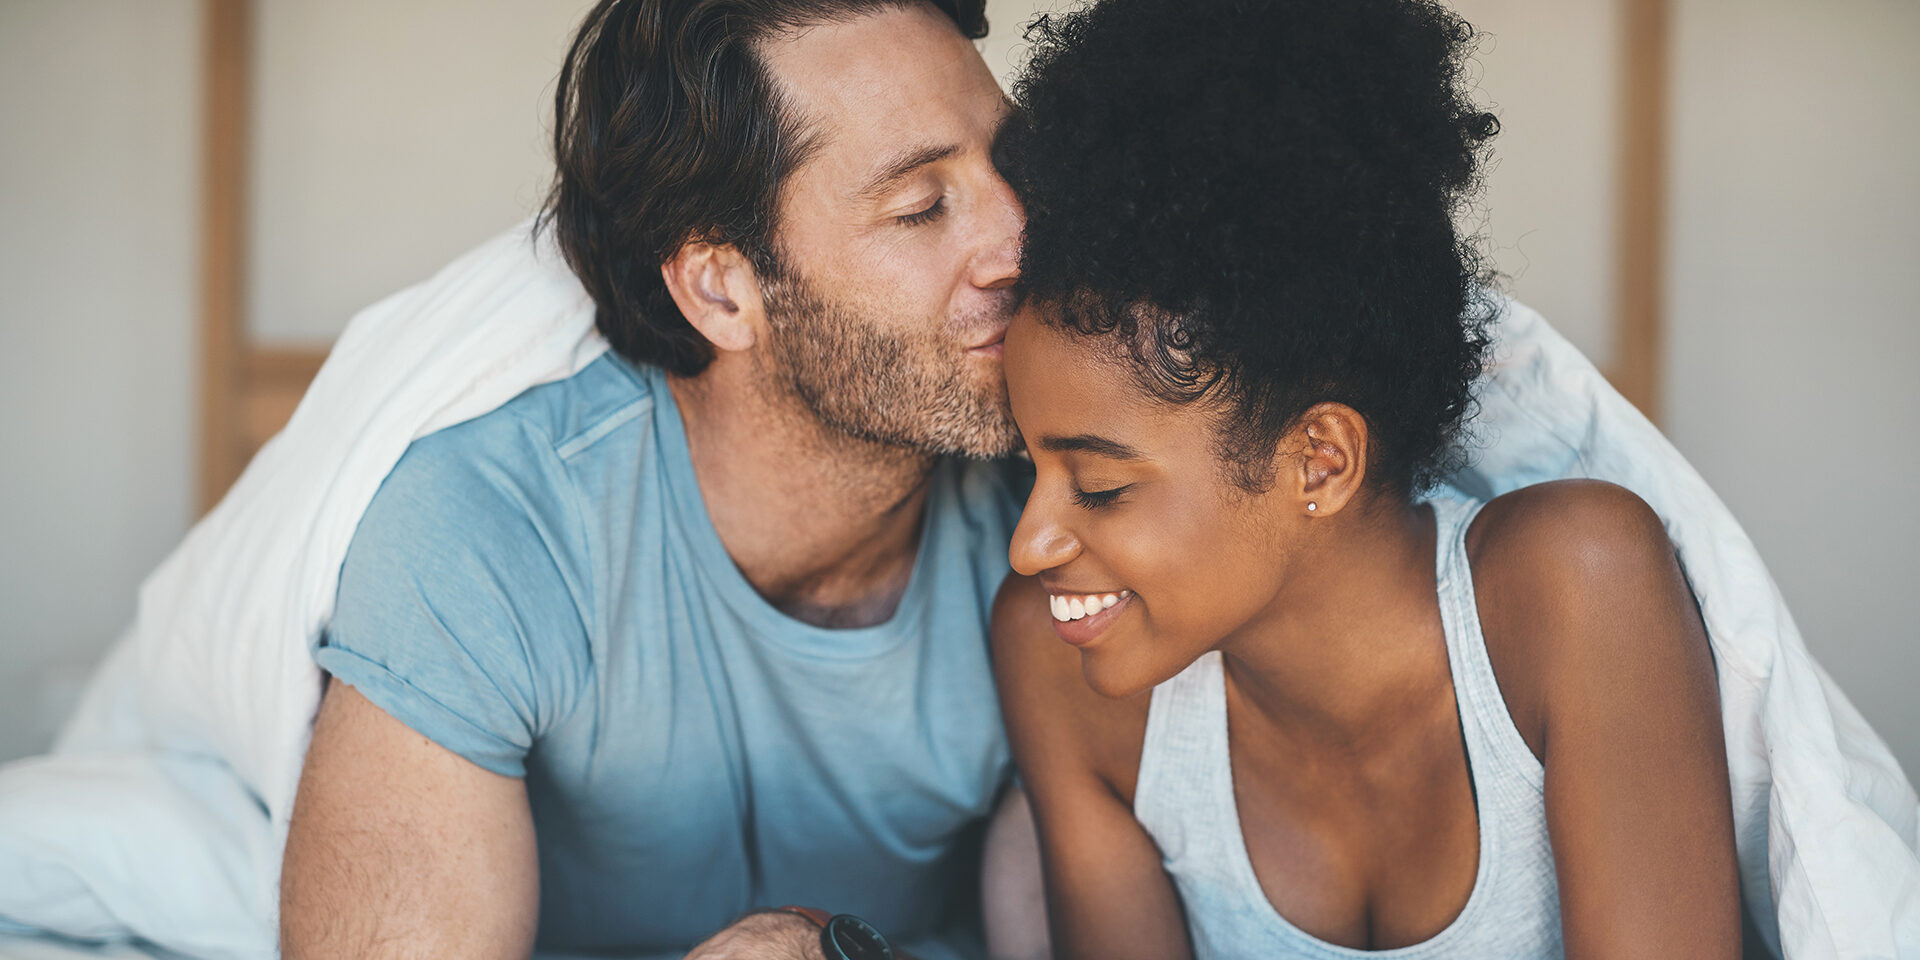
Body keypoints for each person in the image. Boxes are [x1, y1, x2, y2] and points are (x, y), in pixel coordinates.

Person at [989, 0, 1745, 957]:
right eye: (1031, 467)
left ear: (1321, 459)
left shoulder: (1572, 590)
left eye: (1097, 485)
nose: (1028, 545)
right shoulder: (1060, 667)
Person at [277, 1, 1030, 957]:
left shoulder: (1063, 520)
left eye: (1015, 165)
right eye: (920, 206)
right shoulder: (496, 531)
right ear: (722, 288)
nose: (1018, 238)